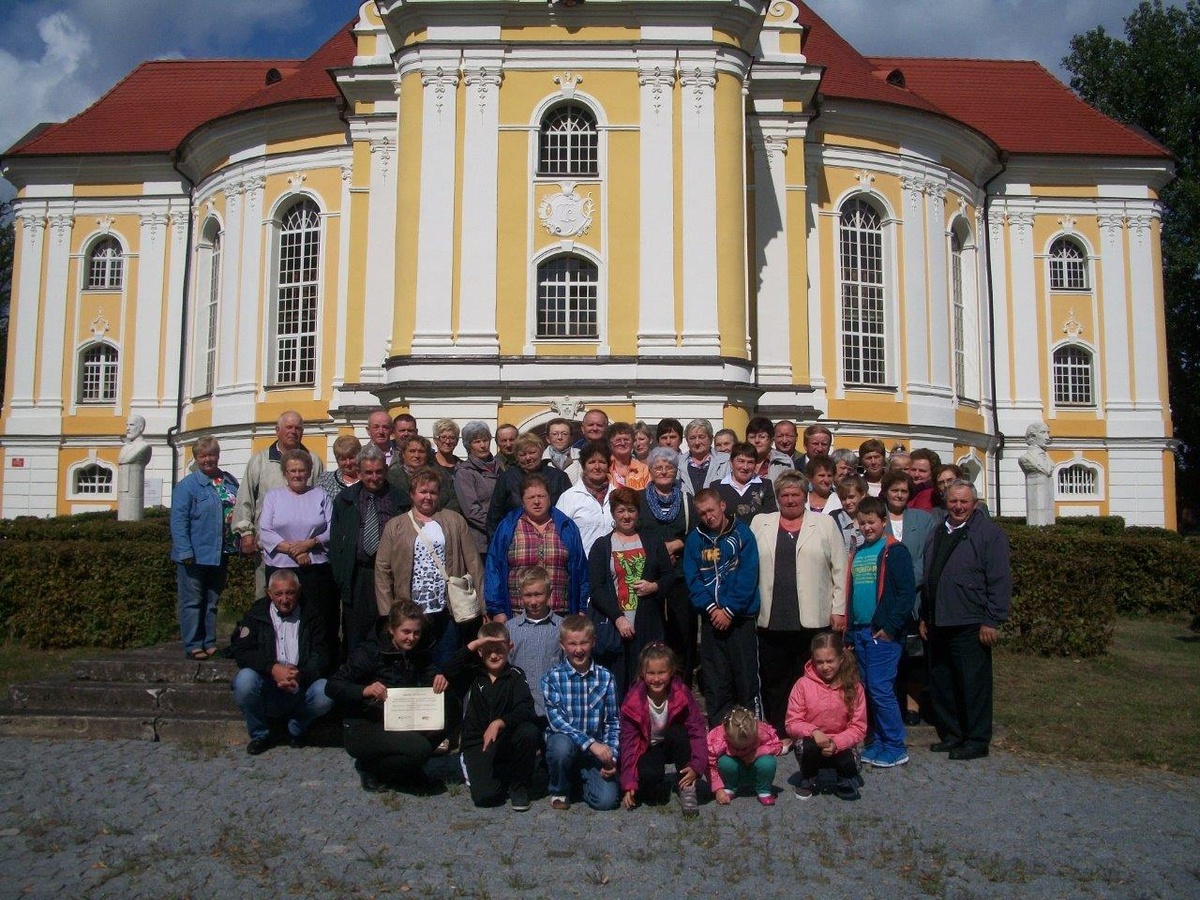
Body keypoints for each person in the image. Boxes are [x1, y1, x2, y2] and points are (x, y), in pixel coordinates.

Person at [750, 470, 847, 745]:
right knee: (774, 678)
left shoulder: (825, 523)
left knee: (810, 677)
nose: (790, 500)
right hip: (772, 616)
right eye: (785, 495)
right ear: (777, 497)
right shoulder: (761, 522)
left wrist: (839, 609)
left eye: (795, 494)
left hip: (813, 617)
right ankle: (781, 731)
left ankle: (810, 730)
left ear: (805, 496)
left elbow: (840, 568)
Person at [921, 481, 1012, 761]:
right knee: (943, 682)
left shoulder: (988, 534)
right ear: (945, 502)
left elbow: (999, 578)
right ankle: (953, 734)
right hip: (939, 620)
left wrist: (992, 620)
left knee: (973, 685)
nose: (958, 507)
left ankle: (976, 739)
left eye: (964, 502)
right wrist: (925, 615)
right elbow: (929, 575)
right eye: (953, 501)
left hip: (970, 620)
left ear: (974, 503)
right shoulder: (938, 531)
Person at [325, 601, 451, 792]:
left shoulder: (418, 649)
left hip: (399, 718)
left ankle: (406, 767)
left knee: (449, 711)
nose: (412, 638)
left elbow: (430, 673)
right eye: (406, 632)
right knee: (421, 749)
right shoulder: (370, 651)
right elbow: (332, 686)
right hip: (365, 723)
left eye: (416, 632)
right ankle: (371, 768)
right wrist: (364, 690)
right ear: (392, 629)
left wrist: (439, 677)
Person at [833, 496, 915, 769]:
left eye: (872, 522)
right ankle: (878, 741)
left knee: (881, 689)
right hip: (859, 631)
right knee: (867, 689)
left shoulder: (894, 551)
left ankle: (895, 745)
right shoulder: (858, 552)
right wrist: (848, 633)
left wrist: (890, 628)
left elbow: (905, 595)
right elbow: (852, 593)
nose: (867, 527)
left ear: (883, 521)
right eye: (862, 523)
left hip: (882, 633)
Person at [376, 467, 484, 670]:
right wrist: (387, 612)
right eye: (423, 492)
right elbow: (382, 570)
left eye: (433, 492)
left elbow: (474, 564)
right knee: (413, 665)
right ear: (412, 494)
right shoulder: (395, 525)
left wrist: (483, 605)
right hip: (410, 611)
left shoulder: (454, 521)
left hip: (447, 609)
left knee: (446, 665)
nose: (428, 497)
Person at [230, 570, 334, 755]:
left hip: (301, 682)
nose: (284, 599)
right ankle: (260, 734)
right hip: (267, 681)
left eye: (290, 593)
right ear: (269, 593)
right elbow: (243, 652)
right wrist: (272, 668)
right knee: (244, 680)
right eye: (278, 594)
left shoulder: (313, 615)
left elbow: (321, 654)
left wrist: (300, 674)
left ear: (299, 591)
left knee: (326, 692)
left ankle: (297, 728)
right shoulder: (255, 614)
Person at [588, 486, 676, 698]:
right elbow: (597, 588)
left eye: (631, 510)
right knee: (617, 685)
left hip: (647, 624)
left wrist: (654, 586)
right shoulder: (602, 546)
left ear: (638, 512)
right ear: (613, 513)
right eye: (621, 511)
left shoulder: (652, 540)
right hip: (615, 626)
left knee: (646, 683)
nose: (626, 516)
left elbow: (669, 576)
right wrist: (618, 618)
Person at [684, 488, 760, 727]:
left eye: (711, 510)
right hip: (711, 618)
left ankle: (751, 732)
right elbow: (693, 579)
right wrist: (711, 608)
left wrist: (729, 610)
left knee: (746, 680)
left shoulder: (742, 534)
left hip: (740, 618)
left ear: (723, 506)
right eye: (702, 513)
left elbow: (748, 577)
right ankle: (718, 734)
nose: (708, 517)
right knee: (716, 683)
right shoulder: (694, 539)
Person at [443, 623, 539, 810]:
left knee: (529, 731)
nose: (494, 656)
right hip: (478, 741)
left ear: (510, 647)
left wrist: (500, 722)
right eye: (488, 650)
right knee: (486, 797)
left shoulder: (516, 675)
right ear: (480, 651)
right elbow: (448, 669)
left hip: (505, 738)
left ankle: (519, 786)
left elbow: (525, 709)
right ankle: (497, 773)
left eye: (499, 650)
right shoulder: (471, 673)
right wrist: (474, 644)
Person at [257, 449, 338, 670]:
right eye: (292, 471)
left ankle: (316, 666)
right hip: (280, 567)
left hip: (315, 567)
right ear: (285, 473)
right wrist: (295, 551)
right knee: (282, 617)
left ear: (309, 472)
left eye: (301, 470)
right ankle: (280, 663)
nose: (297, 475)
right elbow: (265, 531)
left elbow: (332, 528)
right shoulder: (273, 497)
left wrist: (309, 544)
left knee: (315, 618)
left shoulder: (321, 495)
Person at [231, 410, 325, 598]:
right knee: (267, 598)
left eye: (298, 428)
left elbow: (321, 499)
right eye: (288, 427)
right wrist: (246, 532)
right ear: (277, 430)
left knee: (306, 600)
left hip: (306, 551)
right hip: (270, 549)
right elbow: (245, 498)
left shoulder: (314, 461)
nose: (293, 432)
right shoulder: (260, 461)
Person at [329, 446, 411, 657]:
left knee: (389, 627)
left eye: (379, 472)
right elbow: (336, 543)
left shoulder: (400, 499)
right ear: (358, 471)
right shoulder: (345, 500)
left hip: (390, 575)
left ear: (386, 470)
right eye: (368, 472)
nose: (374, 477)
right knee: (356, 634)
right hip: (358, 575)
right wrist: (341, 578)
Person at [541, 614, 621, 811]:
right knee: (560, 746)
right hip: (568, 744)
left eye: (584, 643)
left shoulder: (606, 678)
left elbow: (612, 722)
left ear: (593, 642)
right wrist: (591, 744)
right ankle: (559, 788)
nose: (578, 650)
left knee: (607, 801)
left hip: (594, 754)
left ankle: (579, 781)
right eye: (572, 644)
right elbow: (557, 721)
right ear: (562, 645)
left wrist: (611, 756)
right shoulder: (552, 678)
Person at [171, 436, 239, 659]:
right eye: (203, 456)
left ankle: (209, 642)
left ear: (218, 456)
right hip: (195, 553)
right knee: (192, 601)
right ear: (196, 458)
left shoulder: (228, 481)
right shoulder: (187, 486)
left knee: (212, 600)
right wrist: (185, 550)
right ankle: (193, 644)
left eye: (212, 454)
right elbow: (179, 521)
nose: (208, 459)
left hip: (220, 552)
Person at [618, 644, 706, 816]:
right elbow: (628, 743)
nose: (657, 679)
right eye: (651, 673)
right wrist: (629, 781)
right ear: (642, 673)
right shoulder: (633, 700)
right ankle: (656, 784)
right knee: (651, 791)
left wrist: (697, 765)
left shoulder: (681, 692)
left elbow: (697, 730)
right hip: (649, 746)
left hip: (674, 743)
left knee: (679, 732)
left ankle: (687, 788)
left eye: (662, 672)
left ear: (671, 671)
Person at [486, 474, 589, 622]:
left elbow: (581, 570)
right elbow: (493, 568)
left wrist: (581, 608)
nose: (536, 502)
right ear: (522, 501)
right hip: (518, 615)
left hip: (560, 615)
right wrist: (497, 610)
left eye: (541, 496)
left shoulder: (567, 527)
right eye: (530, 497)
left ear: (549, 498)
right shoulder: (508, 527)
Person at [880, 469, 936, 726]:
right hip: (886, 597)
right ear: (886, 492)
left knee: (914, 656)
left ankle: (913, 704)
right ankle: (891, 702)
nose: (899, 495)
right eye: (895, 490)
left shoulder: (923, 519)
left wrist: (906, 580)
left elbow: (928, 556)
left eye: (904, 491)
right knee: (889, 655)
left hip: (915, 598)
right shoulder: (877, 517)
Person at [638, 446, 698, 688]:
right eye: (658, 467)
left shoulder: (687, 500)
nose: (663, 471)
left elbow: (697, 533)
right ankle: (650, 687)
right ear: (650, 471)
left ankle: (681, 687)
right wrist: (658, 552)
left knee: (682, 634)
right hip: (650, 576)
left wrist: (677, 544)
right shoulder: (639, 499)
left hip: (680, 577)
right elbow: (633, 530)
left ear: (676, 471)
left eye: (669, 467)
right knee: (652, 635)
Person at [785, 633, 867, 801]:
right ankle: (810, 777)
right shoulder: (802, 685)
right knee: (803, 746)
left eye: (830, 661)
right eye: (819, 662)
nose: (825, 667)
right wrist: (814, 731)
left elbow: (859, 727)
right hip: (813, 741)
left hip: (841, 743)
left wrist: (837, 743)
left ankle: (844, 777)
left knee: (851, 761)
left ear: (841, 659)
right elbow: (792, 722)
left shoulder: (854, 686)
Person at [507, 566, 564, 727]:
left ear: (549, 593)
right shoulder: (510, 628)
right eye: (528, 595)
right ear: (520, 595)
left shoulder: (562, 627)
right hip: (519, 710)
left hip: (553, 710)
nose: (533, 602)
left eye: (538, 594)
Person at [487, 433, 570, 537]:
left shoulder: (559, 477)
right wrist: (498, 543)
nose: (528, 458)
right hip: (516, 538)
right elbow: (494, 517)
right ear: (516, 456)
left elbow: (569, 512)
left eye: (532, 452)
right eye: (522, 455)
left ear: (541, 452)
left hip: (554, 536)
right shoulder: (506, 478)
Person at [707, 706, 780, 806]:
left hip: (756, 765)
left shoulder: (762, 731)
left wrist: (756, 753)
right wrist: (718, 789)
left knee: (768, 762)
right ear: (726, 736)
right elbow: (709, 763)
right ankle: (729, 787)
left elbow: (777, 745)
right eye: (737, 747)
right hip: (733, 767)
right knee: (724, 762)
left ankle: (764, 790)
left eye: (747, 746)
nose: (742, 750)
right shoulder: (718, 738)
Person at [554, 440, 615, 554]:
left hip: (613, 560)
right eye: (591, 462)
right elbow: (557, 533)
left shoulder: (617, 495)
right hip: (582, 561)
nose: (597, 467)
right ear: (583, 466)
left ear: (608, 466)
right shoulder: (569, 497)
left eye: (602, 462)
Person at [453, 420, 501, 559]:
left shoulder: (500, 466)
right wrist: (497, 527)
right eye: (477, 442)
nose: (482, 445)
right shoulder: (465, 472)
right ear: (469, 446)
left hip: (502, 538)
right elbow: (471, 510)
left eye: (485, 440)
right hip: (481, 542)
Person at [388, 435, 459, 514]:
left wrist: (441, 517)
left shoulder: (441, 474)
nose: (417, 455)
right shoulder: (392, 477)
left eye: (421, 451)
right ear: (403, 454)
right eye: (412, 451)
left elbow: (454, 499)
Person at [715, 441, 777, 524]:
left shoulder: (765, 485)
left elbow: (771, 517)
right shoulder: (717, 487)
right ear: (731, 462)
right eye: (741, 461)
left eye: (750, 462)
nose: (745, 467)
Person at [679, 418, 729, 496]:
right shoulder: (677, 463)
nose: (697, 442)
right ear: (687, 441)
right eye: (692, 438)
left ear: (711, 439)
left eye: (701, 437)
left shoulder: (726, 461)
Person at [745, 416, 793, 482]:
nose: (757, 440)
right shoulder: (736, 460)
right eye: (752, 437)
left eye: (762, 437)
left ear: (771, 440)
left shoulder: (784, 462)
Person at [317, 435, 362, 501]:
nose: (348, 463)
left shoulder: (369, 478)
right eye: (343, 459)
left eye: (351, 458)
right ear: (337, 460)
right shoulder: (325, 480)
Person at [831, 474, 868, 553]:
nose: (847, 502)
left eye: (851, 497)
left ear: (862, 494)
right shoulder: (834, 518)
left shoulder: (871, 516)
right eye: (843, 498)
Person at [607, 422, 650, 489]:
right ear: (610, 444)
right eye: (618, 440)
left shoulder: (644, 470)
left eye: (626, 440)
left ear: (632, 443)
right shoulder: (606, 468)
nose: (622, 443)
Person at [543, 417, 582, 484]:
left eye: (564, 434)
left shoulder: (581, 456)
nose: (560, 437)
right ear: (547, 438)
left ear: (571, 438)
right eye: (555, 434)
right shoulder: (541, 459)